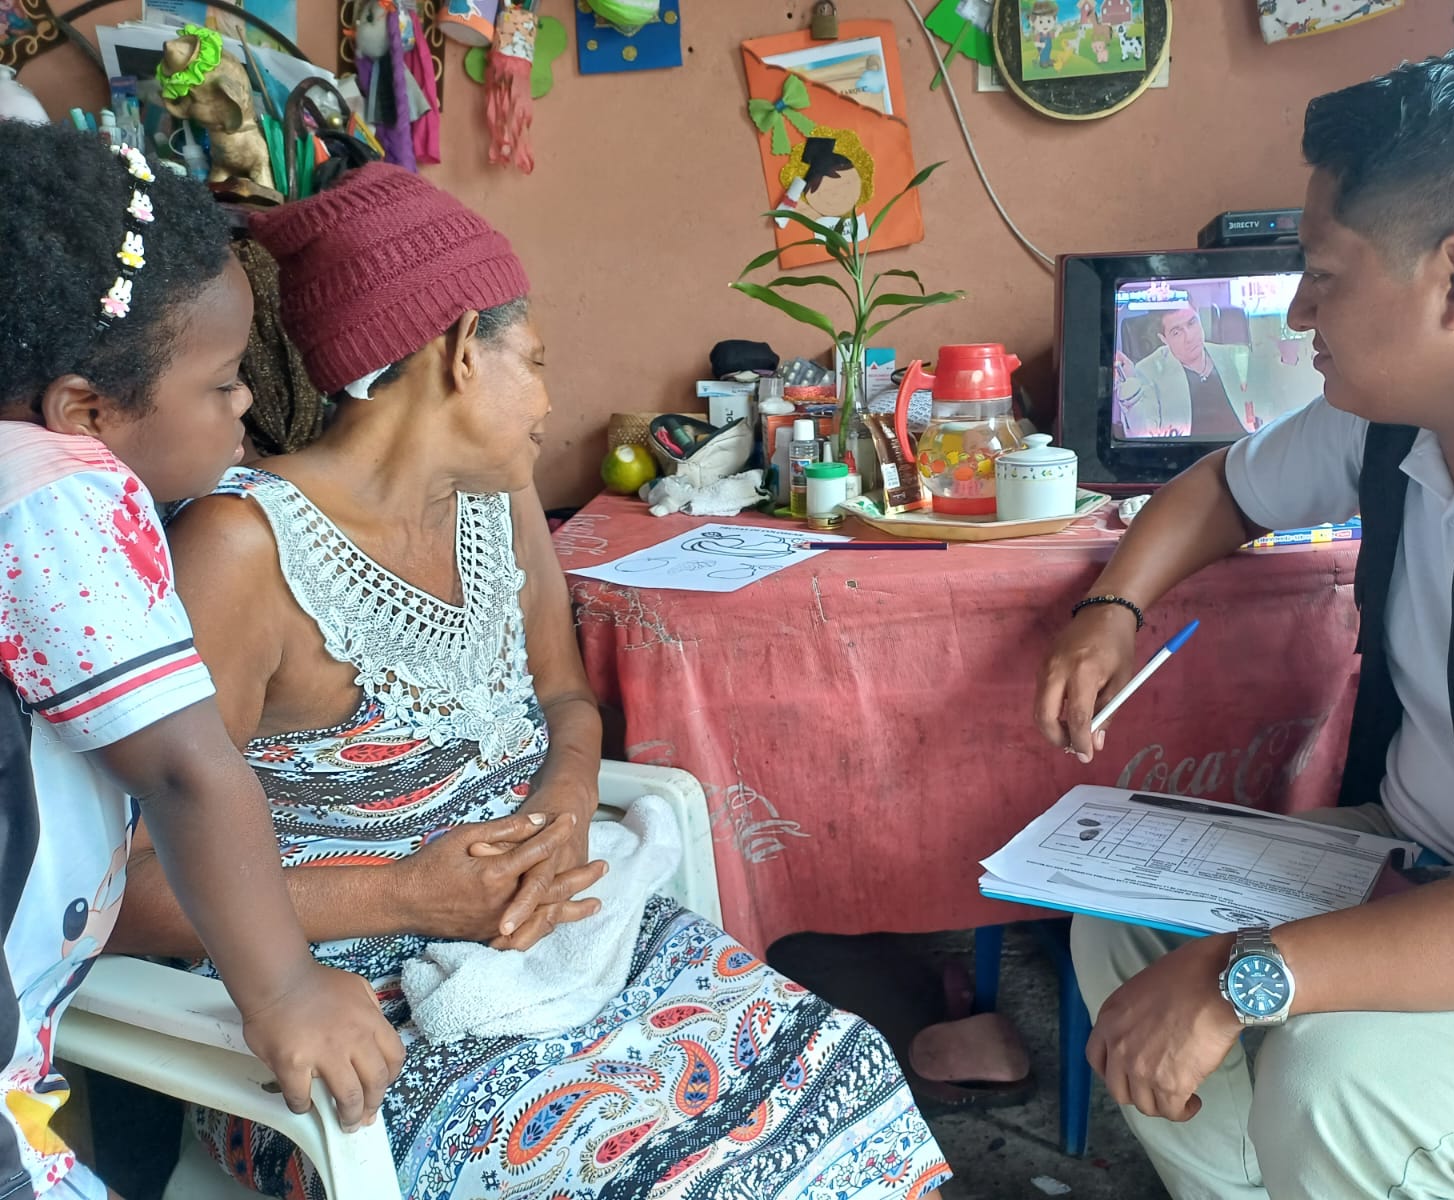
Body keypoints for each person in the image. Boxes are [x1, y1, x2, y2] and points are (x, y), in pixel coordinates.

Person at [110, 164, 952, 1200]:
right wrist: (404, 894)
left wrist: (562, 810)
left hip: (550, 927)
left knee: (846, 1069)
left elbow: (564, 700)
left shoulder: (494, 497)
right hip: (339, 1011)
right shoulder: (243, 551)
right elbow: (119, 886)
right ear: (464, 349)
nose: (550, 401)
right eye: (538, 361)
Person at [1034, 46, 1454, 1199]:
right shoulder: (1402, 407)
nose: (1296, 310)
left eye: (1323, 274)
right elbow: (1222, 488)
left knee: (1337, 1087)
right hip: (1429, 856)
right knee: (1117, 928)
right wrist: (1110, 609)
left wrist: (1248, 975)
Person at [0, 123, 403, 1200]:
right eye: (222, 383)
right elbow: (184, 769)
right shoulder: (59, 492)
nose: (245, 407)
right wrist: (285, 989)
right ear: (86, 410)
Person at [1113, 302, 1255, 438]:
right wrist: (1130, 385)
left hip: (1243, 448)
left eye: (1192, 323)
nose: (1190, 337)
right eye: (1176, 332)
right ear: (1164, 339)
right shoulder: (1148, 371)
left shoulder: (1233, 356)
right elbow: (1143, 434)